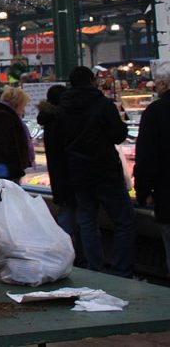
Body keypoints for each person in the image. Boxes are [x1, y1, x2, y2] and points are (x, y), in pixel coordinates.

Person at [60, 66, 135, 278]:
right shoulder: (103, 104)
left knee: (87, 221)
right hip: (105, 171)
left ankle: (96, 269)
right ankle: (121, 271)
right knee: (124, 220)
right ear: (92, 81)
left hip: (78, 172)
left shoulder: (63, 107)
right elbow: (118, 135)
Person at [135, 61, 170, 274]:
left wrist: (144, 190)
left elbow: (147, 156)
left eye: (157, 83)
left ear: (165, 84)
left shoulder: (155, 111)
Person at [37, 85, 76, 235]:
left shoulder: (48, 119)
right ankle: (70, 250)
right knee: (71, 214)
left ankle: (66, 247)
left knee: (66, 211)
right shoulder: (62, 120)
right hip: (68, 173)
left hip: (58, 173)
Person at [0, 87, 32, 187]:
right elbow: (9, 146)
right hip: (4, 167)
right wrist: (17, 170)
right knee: (7, 199)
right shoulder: (5, 117)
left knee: (0, 197)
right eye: (24, 104)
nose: (24, 108)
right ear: (17, 102)